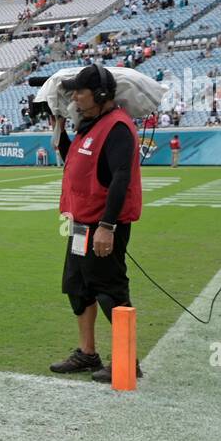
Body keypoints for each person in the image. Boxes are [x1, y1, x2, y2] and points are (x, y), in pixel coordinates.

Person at [49, 64, 144, 383]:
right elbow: (71, 159)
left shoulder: (117, 126)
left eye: (80, 90)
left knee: (110, 290)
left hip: (102, 225)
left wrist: (108, 226)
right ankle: (87, 353)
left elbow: (120, 178)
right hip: (80, 223)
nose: (75, 95)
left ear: (101, 94)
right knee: (79, 287)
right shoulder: (88, 125)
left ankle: (127, 361)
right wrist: (59, 128)